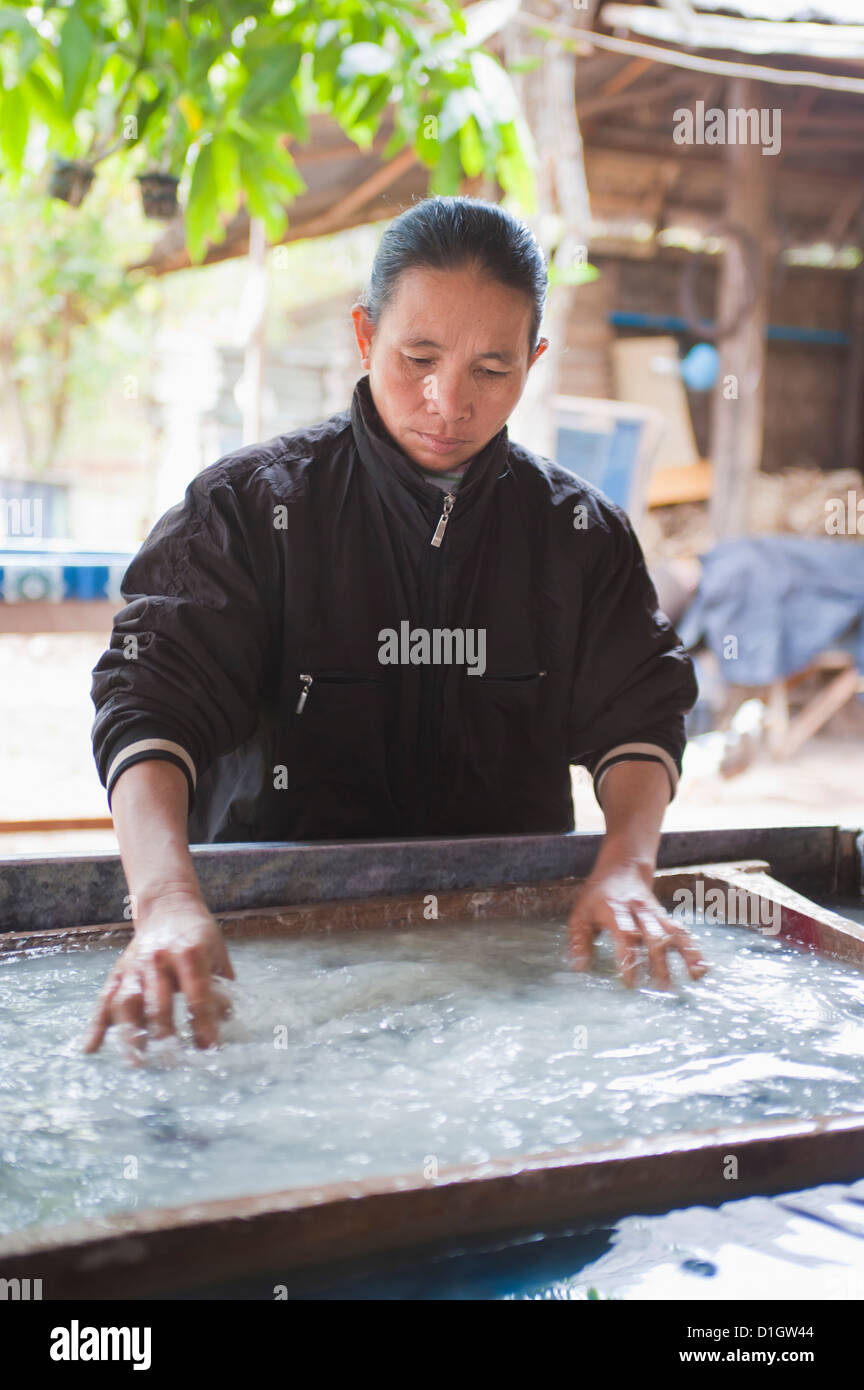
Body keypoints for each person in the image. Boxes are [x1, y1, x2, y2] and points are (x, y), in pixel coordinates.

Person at [85, 196, 706, 1060]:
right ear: (365, 335)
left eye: (492, 368)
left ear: (534, 360)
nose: (447, 401)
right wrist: (163, 902)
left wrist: (627, 867)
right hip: (264, 950)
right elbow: (151, 703)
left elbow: (638, 715)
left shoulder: (577, 534)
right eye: (418, 356)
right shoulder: (250, 508)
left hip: (503, 964)